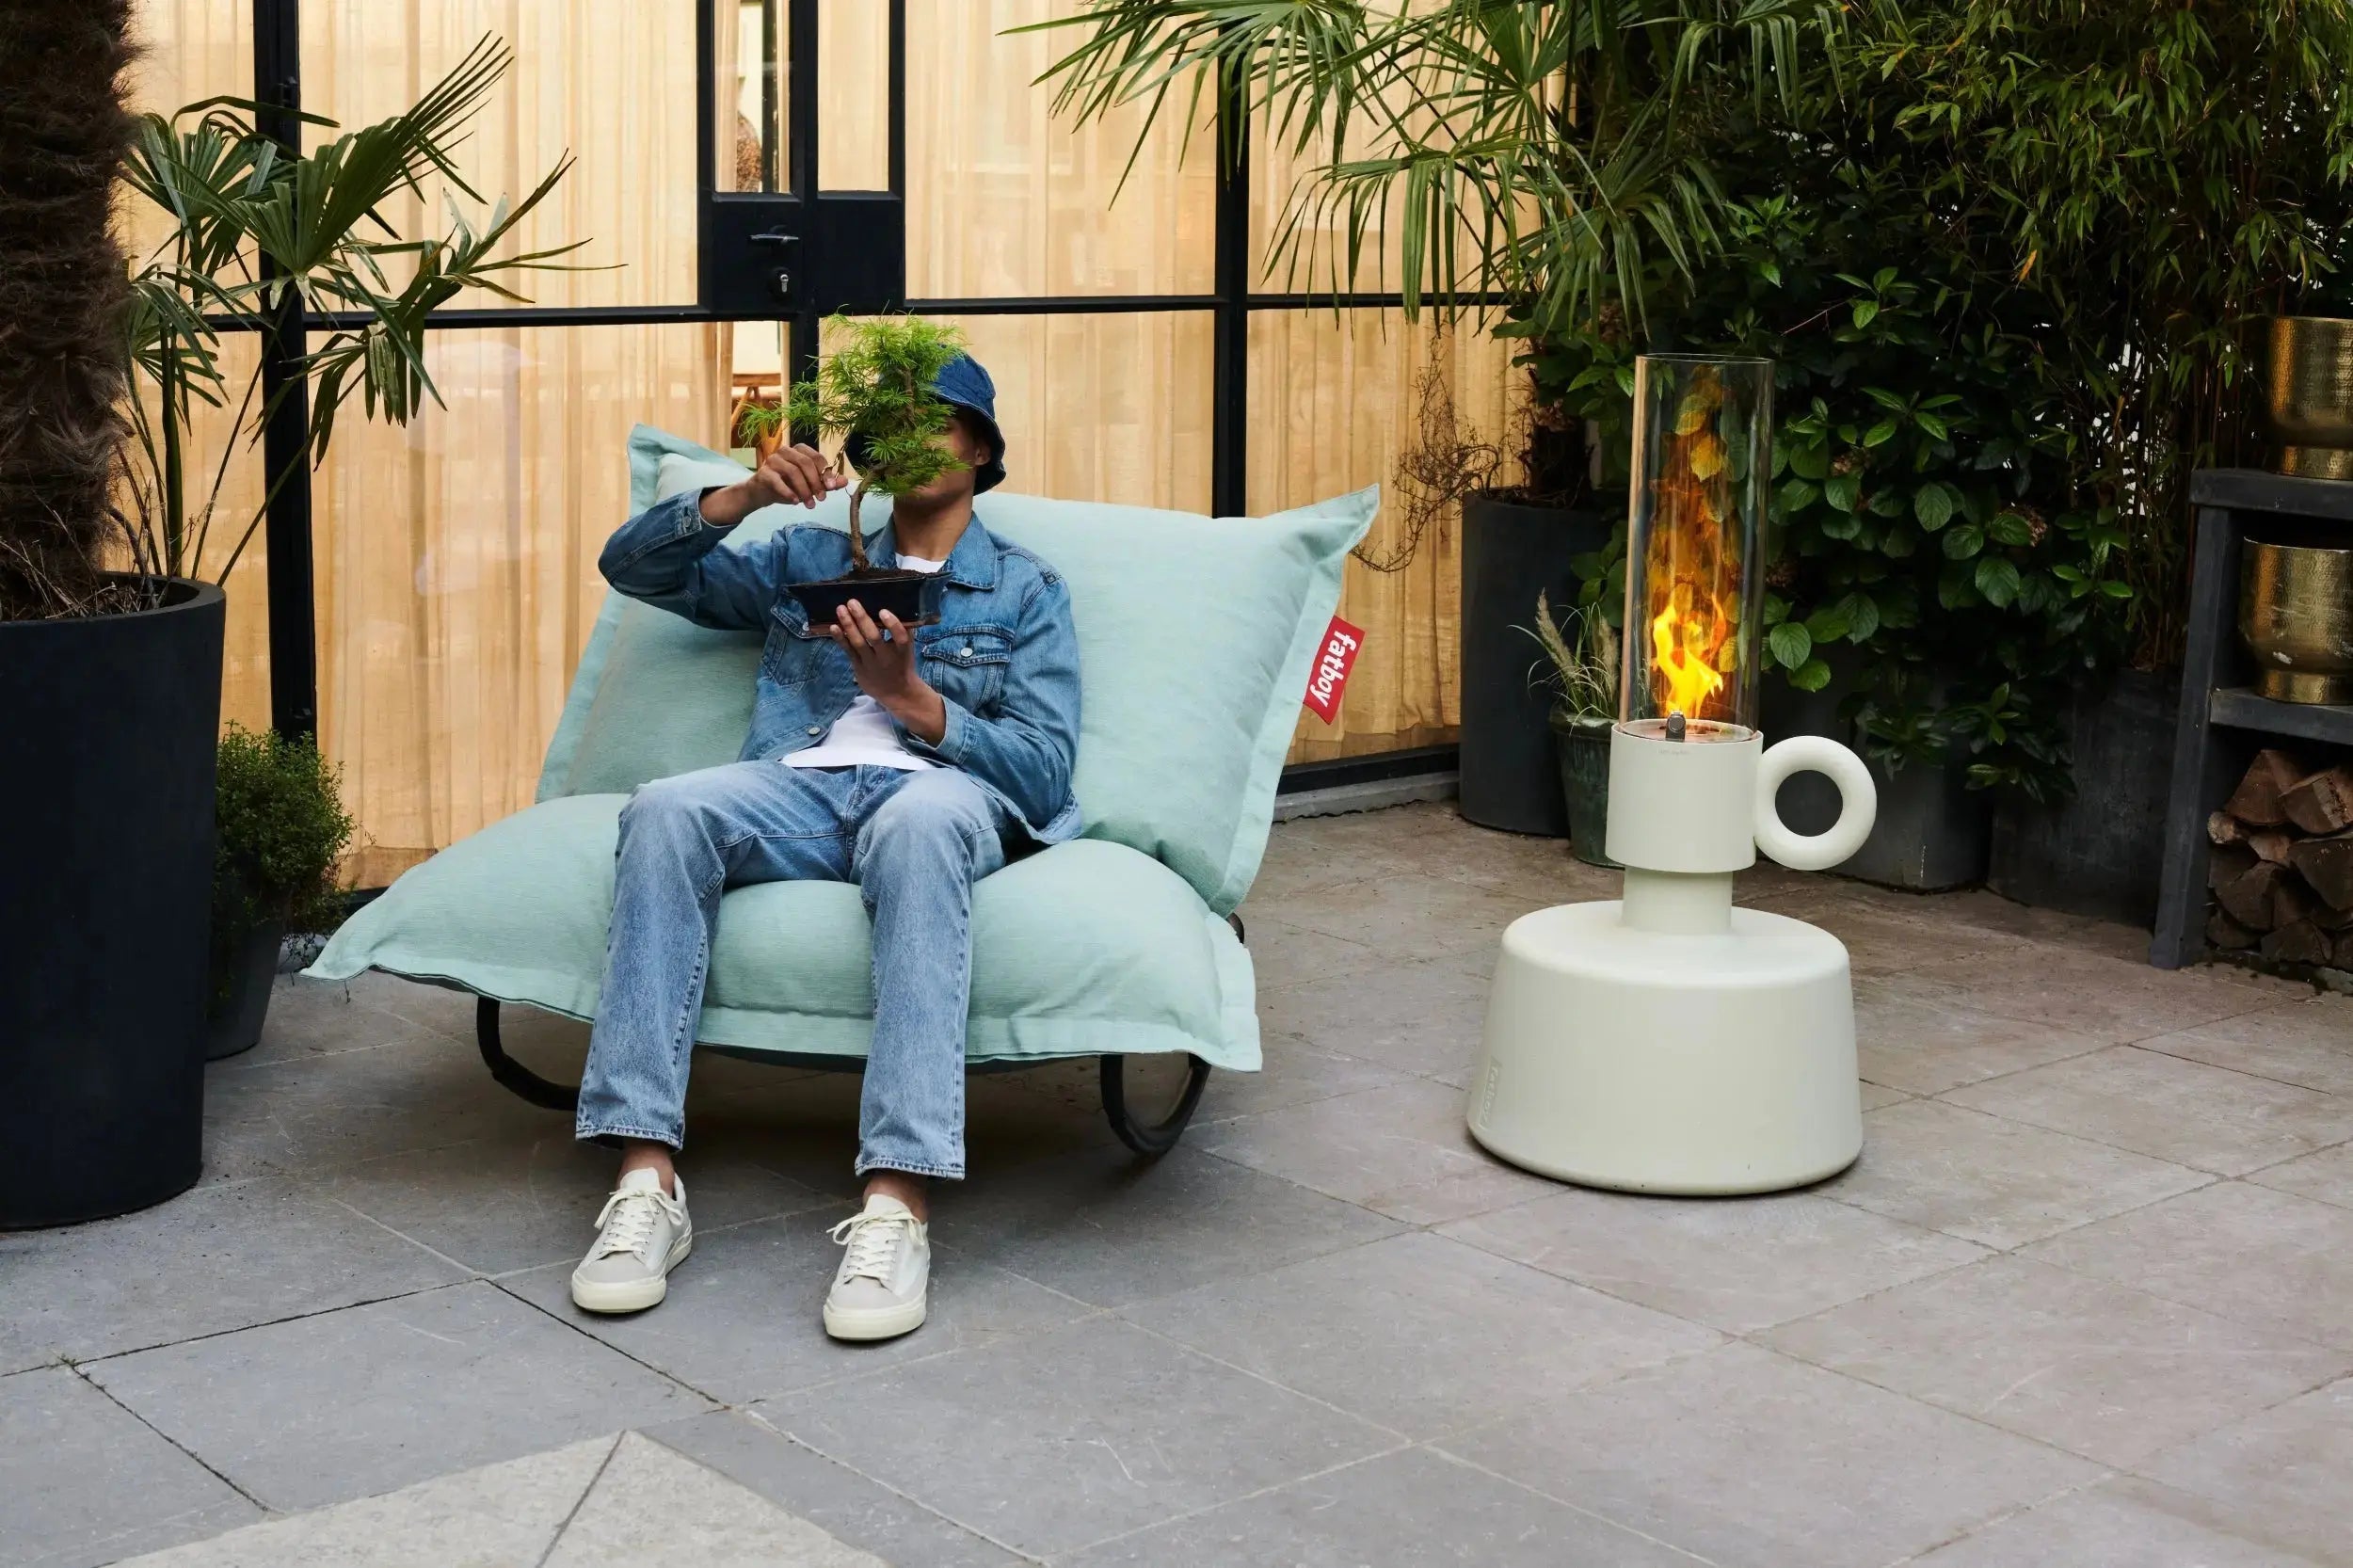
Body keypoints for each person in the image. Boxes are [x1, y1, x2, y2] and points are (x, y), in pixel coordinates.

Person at [568, 354, 1080, 1340]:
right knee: (667, 807)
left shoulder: (1025, 588)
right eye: (890, 426)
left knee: (919, 823)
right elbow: (634, 568)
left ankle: (896, 1201)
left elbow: (1046, 772)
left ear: (980, 449)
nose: (912, 439)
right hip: (798, 788)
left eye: (937, 421)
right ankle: (645, 1182)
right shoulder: (806, 555)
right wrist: (747, 493)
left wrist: (912, 701)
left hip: (933, 794)